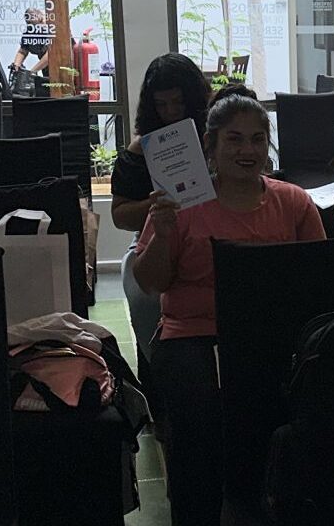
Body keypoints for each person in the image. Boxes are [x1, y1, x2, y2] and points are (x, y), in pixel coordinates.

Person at [133, 84, 326, 525]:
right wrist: (162, 234)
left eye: (257, 139)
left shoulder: (293, 201)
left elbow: (319, 277)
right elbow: (150, 283)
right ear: (211, 146)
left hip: (272, 334)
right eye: (234, 139)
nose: (247, 150)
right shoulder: (180, 204)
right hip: (195, 334)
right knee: (200, 409)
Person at [111, 53, 211, 415]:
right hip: (154, 240)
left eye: (178, 103)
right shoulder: (140, 151)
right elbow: (120, 215)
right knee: (145, 300)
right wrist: (153, 208)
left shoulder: (217, 141)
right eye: (162, 104)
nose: (170, 112)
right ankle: (162, 392)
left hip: (209, 235)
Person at [11, 8, 52, 76]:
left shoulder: (52, 27)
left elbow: (50, 55)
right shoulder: (29, 32)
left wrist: (32, 72)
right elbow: (22, 51)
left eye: (42, 21)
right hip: (46, 70)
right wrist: (16, 65)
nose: (42, 25)